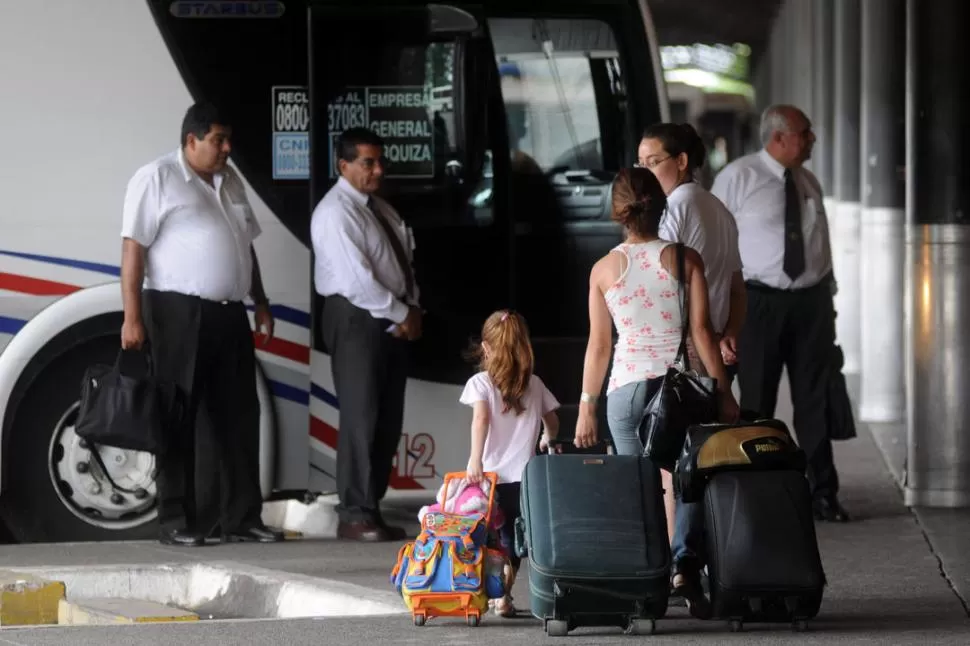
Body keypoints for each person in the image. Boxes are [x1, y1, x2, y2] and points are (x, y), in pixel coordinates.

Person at [573, 167, 739, 618]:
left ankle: (645, 582)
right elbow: (703, 334)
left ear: (618, 212)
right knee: (684, 481)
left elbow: (600, 346)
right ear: (661, 206)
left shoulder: (604, 269)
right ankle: (684, 567)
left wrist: (586, 407)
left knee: (640, 488)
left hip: (625, 392)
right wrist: (723, 392)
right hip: (680, 390)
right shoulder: (686, 260)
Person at [120, 101, 283, 547]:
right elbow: (133, 249)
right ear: (190, 140)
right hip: (176, 311)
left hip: (230, 312)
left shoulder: (229, 180)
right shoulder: (157, 178)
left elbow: (244, 245)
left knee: (238, 415)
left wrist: (261, 301)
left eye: (228, 139)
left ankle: (240, 517)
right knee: (179, 415)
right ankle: (176, 520)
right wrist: (132, 317)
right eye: (217, 140)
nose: (226, 148)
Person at [710, 104, 849, 523]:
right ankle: (760, 493)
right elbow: (717, 243)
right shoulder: (738, 177)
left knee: (815, 399)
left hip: (811, 303)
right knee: (758, 400)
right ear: (779, 138)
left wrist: (829, 295)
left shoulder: (808, 181)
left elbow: (818, 242)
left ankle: (823, 493)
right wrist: (722, 315)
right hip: (759, 302)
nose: (811, 140)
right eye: (805, 133)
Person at [638, 122, 747, 610]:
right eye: (640, 163)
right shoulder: (720, 209)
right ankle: (695, 564)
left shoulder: (677, 208)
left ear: (681, 161)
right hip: (718, 348)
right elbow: (740, 286)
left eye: (652, 161)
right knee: (706, 462)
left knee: (676, 468)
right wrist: (730, 334)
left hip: (685, 351)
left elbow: (663, 284)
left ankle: (680, 568)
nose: (645, 171)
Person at [311, 127, 423, 542]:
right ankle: (354, 513)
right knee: (362, 416)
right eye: (367, 162)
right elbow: (357, 281)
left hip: (387, 317)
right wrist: (400, 312)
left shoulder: (378, 208)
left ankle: (370, 507)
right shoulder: (336, 212)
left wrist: (410, 309)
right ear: (344, 166)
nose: (377, 170)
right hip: (357, 317)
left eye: (379, 161)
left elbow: (400, 264)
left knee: (386, 418)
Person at [462, 309, 561, 618]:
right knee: (514, 539)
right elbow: (553, 421)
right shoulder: (534, 384)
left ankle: (483, 593)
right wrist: (546, 439)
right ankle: (503, 596)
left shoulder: (480, 383)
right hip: (526, 480)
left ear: (487, 348)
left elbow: (480, 419)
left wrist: (474, 459)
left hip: (491, 480)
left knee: (487, 537)